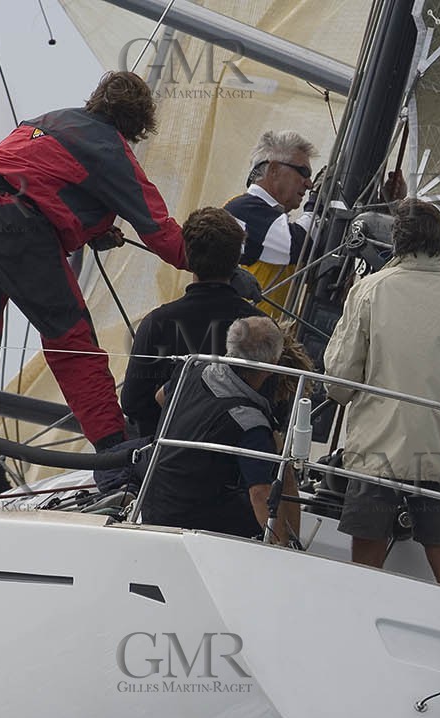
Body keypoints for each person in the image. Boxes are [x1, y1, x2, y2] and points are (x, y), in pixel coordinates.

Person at [0, 70, 188, 497]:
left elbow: (42, 179)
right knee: (71, 341)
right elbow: (160, 231)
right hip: (16, 225)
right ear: (137, 124)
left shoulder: (47, 120)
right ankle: (113, 459)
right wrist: (218, 261)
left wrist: (88, 229)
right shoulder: (111, 149)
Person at [322, 199, 440, 587]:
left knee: (367, 551)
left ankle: (358, 614)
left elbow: (339, 379)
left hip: (378, 447)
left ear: (397, 240)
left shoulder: (369, 291)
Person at [137, 316, 298, 540]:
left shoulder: (193, 370)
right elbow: (260, 494)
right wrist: (284, 550)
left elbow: (161, 397)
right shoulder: (250, 422)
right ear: (271, 366)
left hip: (153, 501)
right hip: (191, 521)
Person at [122, 206, 263, 437]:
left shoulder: (156, 324)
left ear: (187, 255)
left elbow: (133, 403)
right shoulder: (261, 328)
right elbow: (276, 402)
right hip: (235, 461)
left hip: (169, 459)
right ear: (237, 258)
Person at [224, 130, 318, 314]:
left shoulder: (269, 218)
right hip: (241, 335)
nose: (309, 184)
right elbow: (298, 244)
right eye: (303, 172)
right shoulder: (242, 210)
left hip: (265, 336)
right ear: (274, 170)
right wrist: (317, 204)